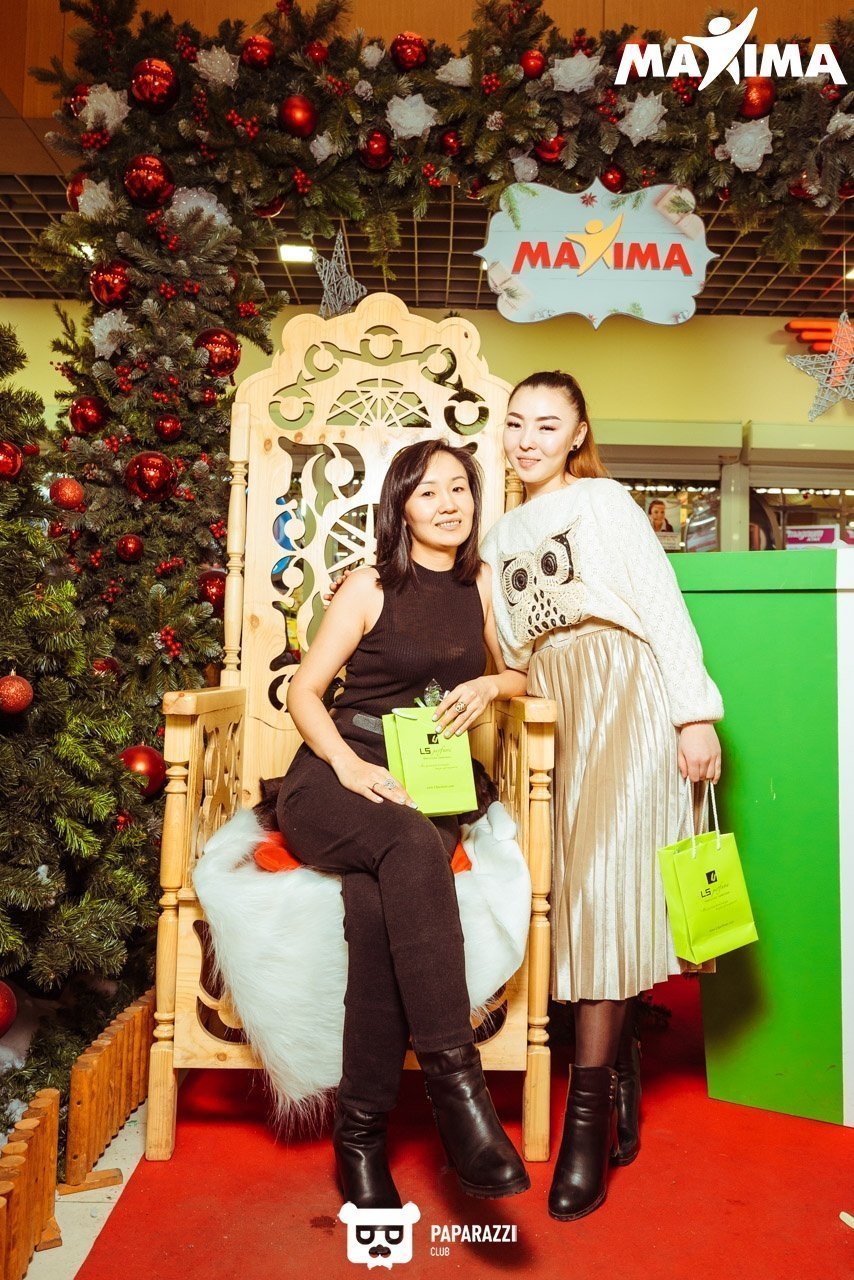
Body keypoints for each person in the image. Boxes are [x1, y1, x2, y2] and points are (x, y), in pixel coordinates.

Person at [479, 371, 723, 1222]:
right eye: (516, 423)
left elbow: (662, 608)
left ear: (578, 433)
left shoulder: (606, 502)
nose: (528, 439)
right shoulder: (498, 536)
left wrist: (694, 714)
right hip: (553, 710)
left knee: (605, 893)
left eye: (547, 425)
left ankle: (583, 1127)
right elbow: (513, 653)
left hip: (625, 690)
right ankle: (620, 1078)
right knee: (571, 901)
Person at [275, 439, 530, 1210]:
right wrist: (347, 768)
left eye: (460, 488)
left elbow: (522, 673)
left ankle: (359, 1137)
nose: (449, 504)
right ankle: (461, 1099)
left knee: (375, 909)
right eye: (428, 493)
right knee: (411, 842)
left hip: (432, 781)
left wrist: (491, 686)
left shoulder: (481, 583)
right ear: (402, 509)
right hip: (336, 779)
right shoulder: (370, 586)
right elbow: (304, 692)